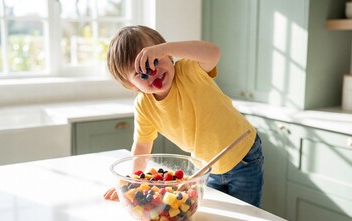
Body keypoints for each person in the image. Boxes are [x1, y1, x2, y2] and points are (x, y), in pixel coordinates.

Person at [104, 25, 264, 207]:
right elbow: (142, 146)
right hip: (207, 166)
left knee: (247, 216)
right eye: (141, 73)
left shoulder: (189, 71)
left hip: (243, 155)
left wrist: (165, 47)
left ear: (169, 55)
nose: (153, 73)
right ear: (132, 86)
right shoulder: (143, 105)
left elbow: (213, 52)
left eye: (155, 61)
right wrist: (133, 183)